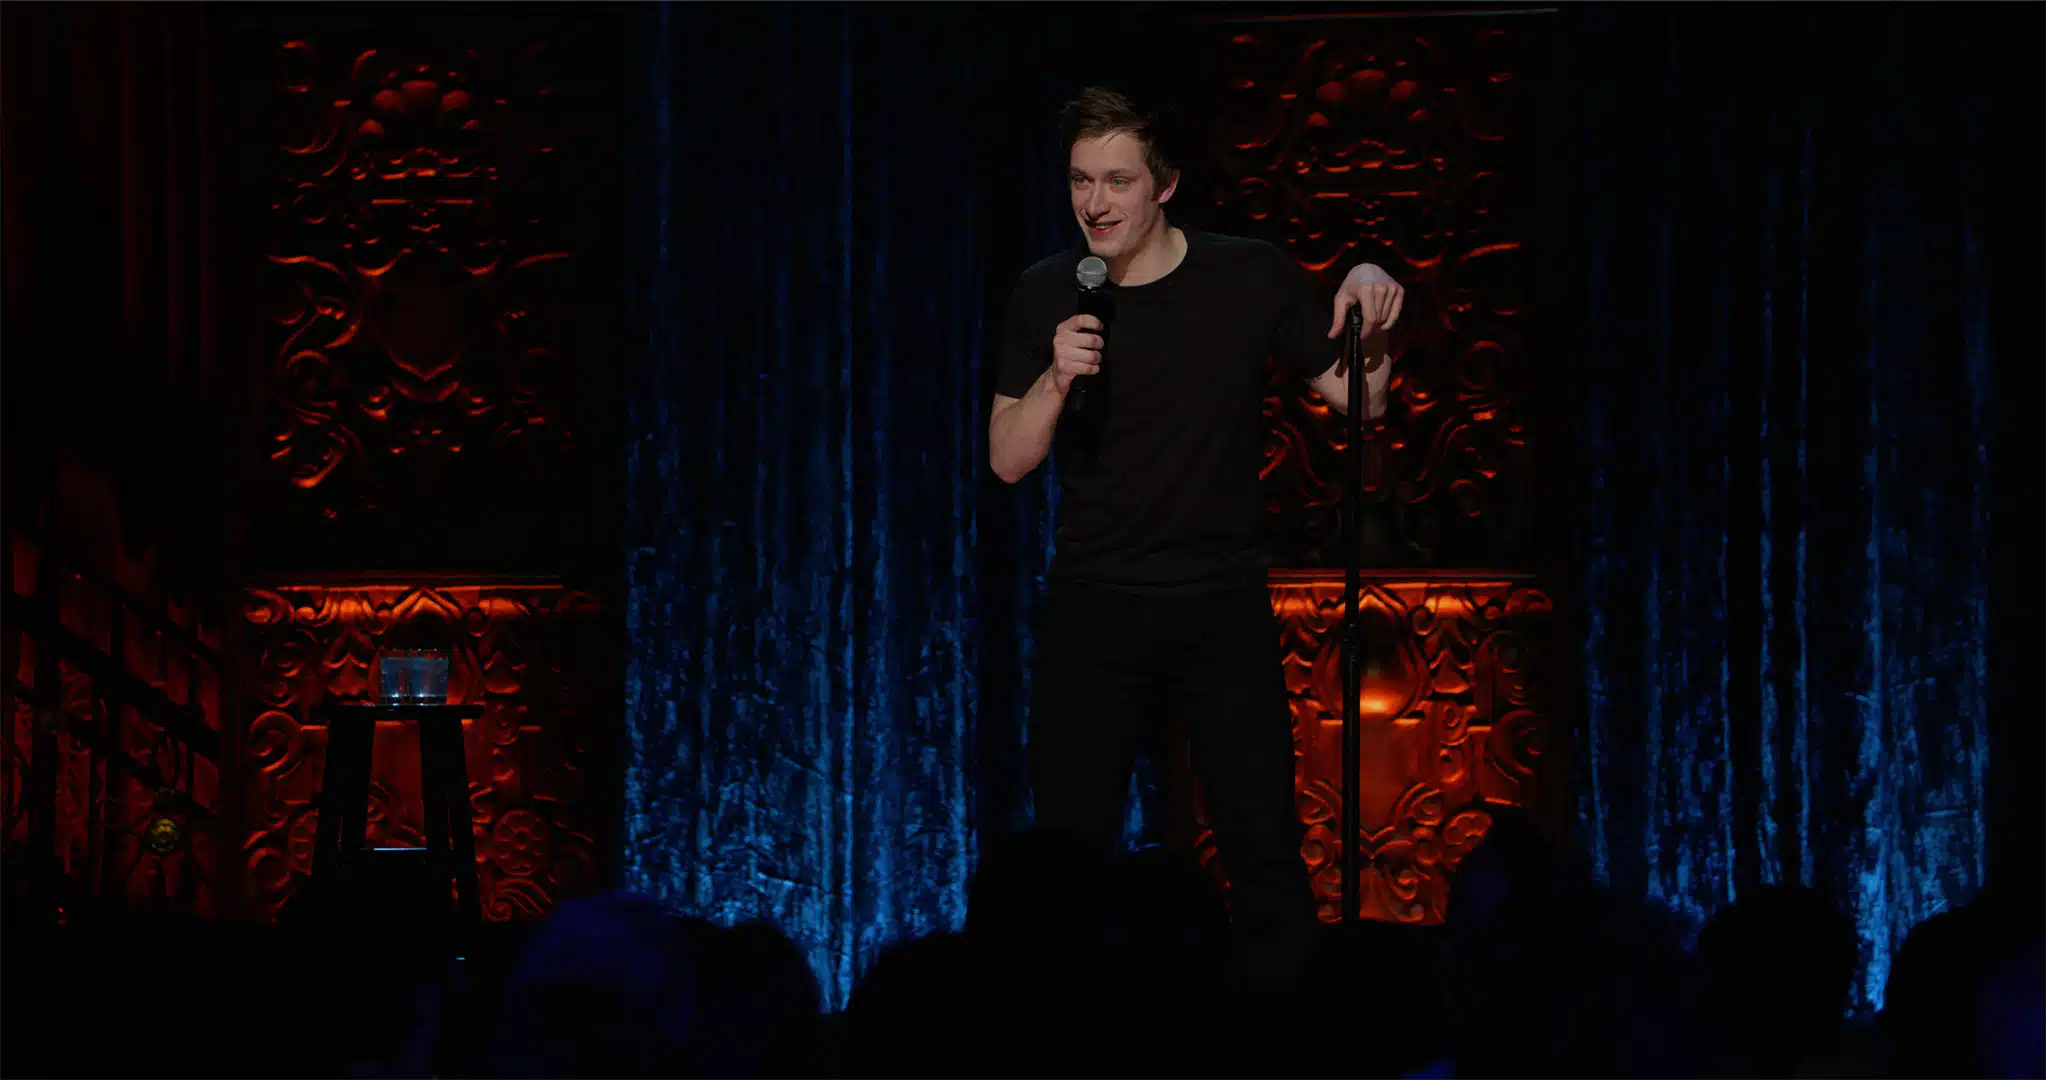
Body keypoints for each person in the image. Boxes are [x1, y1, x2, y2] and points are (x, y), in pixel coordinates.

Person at [987, 85, 1404, 1009]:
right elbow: (1008, 459)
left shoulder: (1246, 275)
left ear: (1165, 184)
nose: (1096, 203)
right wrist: (1055, 376)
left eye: (1118, 181)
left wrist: (1372, 312)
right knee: (1066, 859)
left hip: (1220, 603)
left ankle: (1277, 1044)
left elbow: (1363, 403)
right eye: (1081, 181)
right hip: (1095, 604)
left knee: (1262, 846)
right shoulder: (1048, 290)